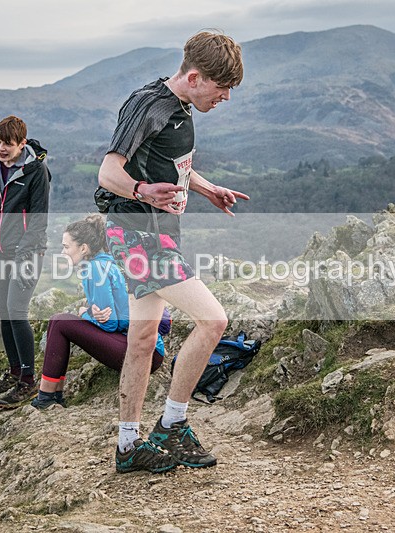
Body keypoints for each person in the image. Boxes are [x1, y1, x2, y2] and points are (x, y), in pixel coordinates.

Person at [97, 30, 247, 473]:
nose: (225, 99)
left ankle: (128, 447)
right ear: (196, 76)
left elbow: (172, 163)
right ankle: (172, 425)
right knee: (213, 319)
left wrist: (204, 188)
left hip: (158, 233)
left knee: (143, 339)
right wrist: (143, 191)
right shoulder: (149, 105)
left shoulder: (181, 105)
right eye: (221, 90)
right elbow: (109, 172)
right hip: (137, 234)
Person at [31, 214, 167, 410]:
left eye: (67, 246)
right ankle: (53, 394)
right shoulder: (108, 262)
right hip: (145, 347)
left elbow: (109, 323)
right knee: (59, 322)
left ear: (84, 248)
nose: (63, 251)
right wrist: (90, 313)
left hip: (145, 353)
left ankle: (46, 396)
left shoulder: (95, 269)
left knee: (59, 322)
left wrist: (85, 313)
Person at [0, 115, 51, 409]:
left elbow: (38, 221)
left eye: (7, 144)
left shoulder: (37, 172)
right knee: (4, 311)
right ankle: (13, 372)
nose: (1, 149)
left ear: (22, 143)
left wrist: (24, 255)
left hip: (27, 252)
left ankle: (28, 381)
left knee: (17, 311)